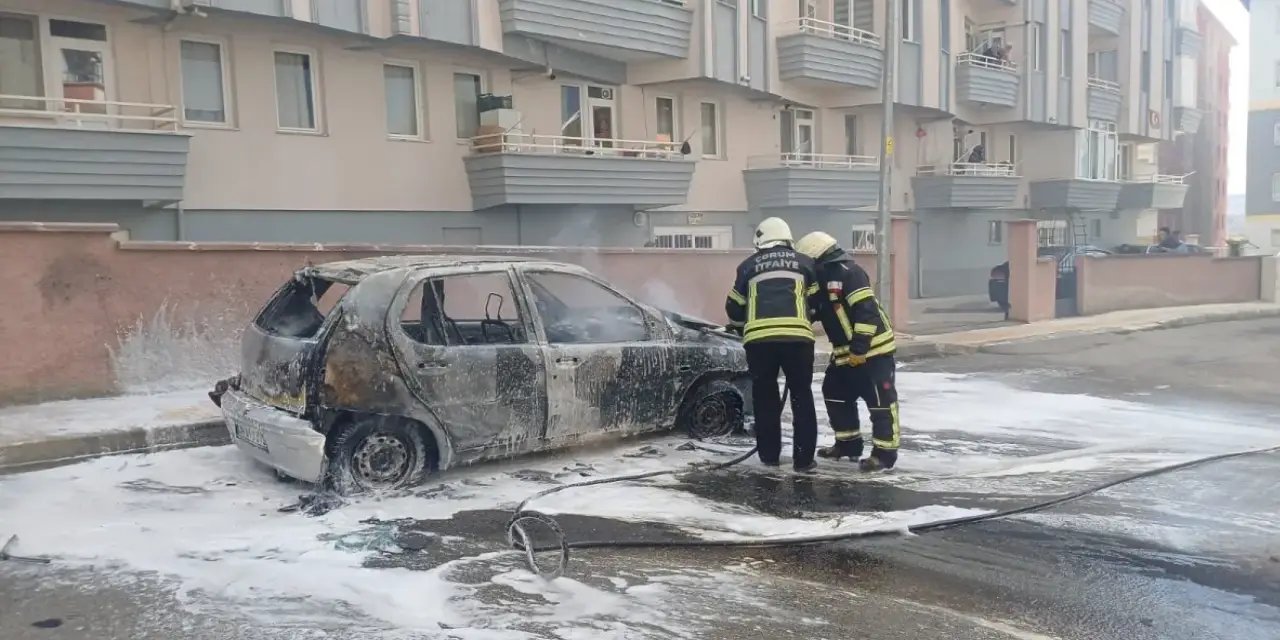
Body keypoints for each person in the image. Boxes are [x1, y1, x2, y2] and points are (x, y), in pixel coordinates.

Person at [795, 231, 901, 472]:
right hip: (845, 353)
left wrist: (860, 349)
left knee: (880, 402)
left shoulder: (849, 273)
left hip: (873, 350)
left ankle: (884, 455)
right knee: (834, 391)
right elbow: (813, 312)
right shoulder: (818, 281)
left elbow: (866, 312)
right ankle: (848, 445)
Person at [725, 218, 821, 473]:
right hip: (798, 342)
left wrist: (738, 325)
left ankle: (769, 456)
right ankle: (804, 461)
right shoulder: (806, 263)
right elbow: (817, 302)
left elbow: (734, 307)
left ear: (760, 240)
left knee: (765, 398)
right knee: (802, 396)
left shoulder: (747, 266)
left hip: (760, 344)